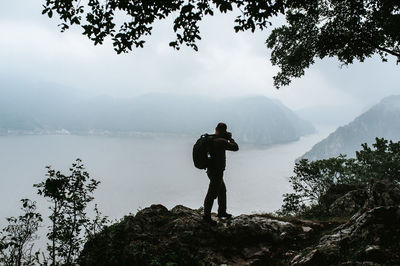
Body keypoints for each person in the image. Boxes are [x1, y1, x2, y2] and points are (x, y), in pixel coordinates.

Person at [203, 122, 239, 225]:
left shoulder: (212, 139)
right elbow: (235, 147)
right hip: (216, 172)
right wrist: (231, 139)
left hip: (211, 170)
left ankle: (222, 211)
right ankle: (206, 216)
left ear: (216, 129)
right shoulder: (220, 141)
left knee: (222, 190)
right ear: (224, 130)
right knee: (212, 193)